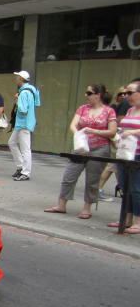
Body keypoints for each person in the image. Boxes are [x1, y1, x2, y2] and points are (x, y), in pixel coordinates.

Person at [44, 84, 116, 219]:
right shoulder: (82, 108)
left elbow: (112, 132)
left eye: (89, 93)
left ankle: (87, 208)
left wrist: (93, 131)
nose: (86, 96)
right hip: (81, 147)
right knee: (69, 175)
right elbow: (73, 124)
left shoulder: (109, 111)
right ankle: (61, 204)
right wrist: (78, 133)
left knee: (92, 179)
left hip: (99, 148)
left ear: (98, 95)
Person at [107, 80, 140, 234]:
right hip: (125, 152)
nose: (126, 96)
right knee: (124, 186)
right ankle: (126, 218)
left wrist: (133, 132)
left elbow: (132, 130)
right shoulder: (130, 110)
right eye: (125, 93)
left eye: (130, 92)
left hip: (138, 155)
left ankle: (138, 221)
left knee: (136, 188)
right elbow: (123, 128)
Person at [9, 70, 41, 181]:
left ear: (21, 80)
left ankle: (25, 172)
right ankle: (21, 166)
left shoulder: (23, 93)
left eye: (17, 78)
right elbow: (37, 103)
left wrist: (18, 100)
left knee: (25, 149)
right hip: (25, 123)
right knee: (12, 143)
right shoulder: (34, 89)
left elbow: (23, 111)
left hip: (23, 123)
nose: (16, 79)